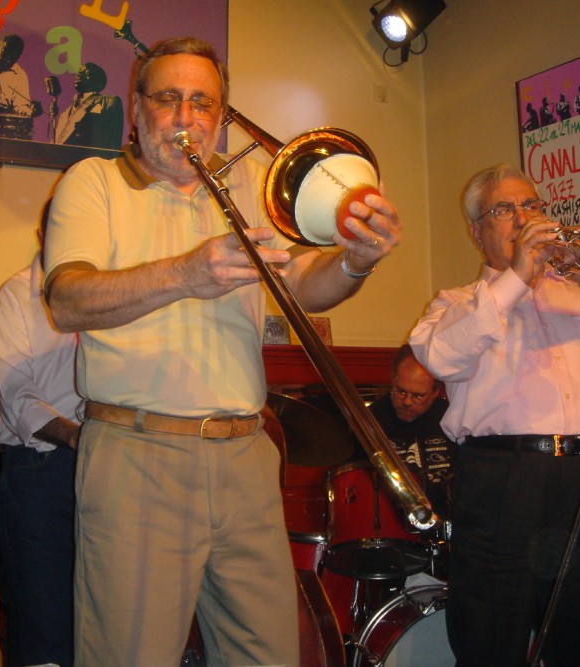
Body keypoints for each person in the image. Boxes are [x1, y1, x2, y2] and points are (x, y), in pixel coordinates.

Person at [43, 36, 401, 666]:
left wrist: (355, 262)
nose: (186, 118)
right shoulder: (92, 181)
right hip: (137, 453)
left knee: (267, 654)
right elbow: (68, 300)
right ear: (136, 108)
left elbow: (304, 288)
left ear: (221, 115)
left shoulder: (246, 188)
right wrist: (184, 274)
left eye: (203, 103)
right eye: (169, 99)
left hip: (245, 456)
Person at [410, 162, 580, 666]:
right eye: (504, 209)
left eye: (531, 205)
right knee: (491, 635)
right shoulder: (455, 303)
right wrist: (518, 277)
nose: (522, 217)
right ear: (477, 231)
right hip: (501, 481)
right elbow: (441, 357)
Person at [0, 203, 82, 667]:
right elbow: (17, 394)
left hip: (109, 466)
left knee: (100, 619)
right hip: (41, 469)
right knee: (45, 624)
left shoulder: (108, 294)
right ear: (43, 233)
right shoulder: (13, 297)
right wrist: (78, 438)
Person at [369, 344, 456, 521]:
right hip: (389, 524)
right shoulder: (371, 419)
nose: (407, 402)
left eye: (418, 396)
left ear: (435, 393)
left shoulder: (451, 418)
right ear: (394, 380)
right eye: (401, 391)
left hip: (443, 521)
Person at [52, 62, 124, 149]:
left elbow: (114, 141)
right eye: (79, 72)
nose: (78, 75)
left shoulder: (108, 102)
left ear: (98, 79)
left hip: (93, 160)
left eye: (86, 73)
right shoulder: (65, 113)